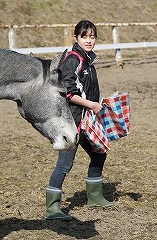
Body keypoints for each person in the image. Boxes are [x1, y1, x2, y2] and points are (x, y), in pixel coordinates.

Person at [45, 20, 114, 221]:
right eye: (84, 36)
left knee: (99, 153)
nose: (89, 40)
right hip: (71, 122)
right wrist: (91, 105)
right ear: (76, 38)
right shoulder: (73, 60)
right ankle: (52, 209)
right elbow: (68, 93)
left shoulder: (88, 60)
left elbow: (87, 90)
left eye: (92, 37)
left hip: (87, 120)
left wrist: (97, 103)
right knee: (64, 164)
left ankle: (95, 197)